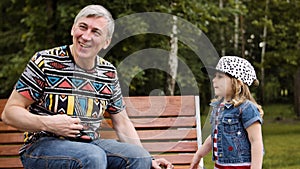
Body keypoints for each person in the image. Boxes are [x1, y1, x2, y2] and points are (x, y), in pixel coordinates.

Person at [1, 4, 173, 169]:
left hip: (90, 145)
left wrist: (149, 158)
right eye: (82, 27)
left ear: (106, 42)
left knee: (138, 158)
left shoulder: (108, 72)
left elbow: (122, 122)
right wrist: (48, 123)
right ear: (72, 29)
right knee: (92, 156)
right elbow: (9, 113)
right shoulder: (45, 62)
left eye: (95, 32)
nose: (86, 36)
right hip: (41, 147)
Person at [189, 56, 264, 169]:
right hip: (220, 165)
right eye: (214, 76)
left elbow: (256, 142)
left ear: (237, 83)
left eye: (220, 77)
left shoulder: (247, 108)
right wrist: (199, 155)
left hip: (240, 166)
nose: (214, 80)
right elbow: (215, 135)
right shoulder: (218, 107)